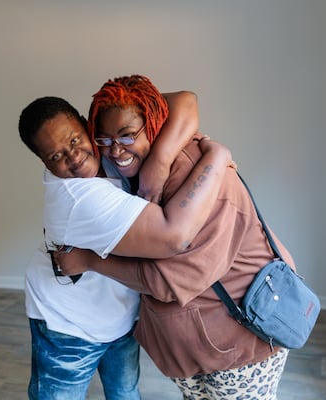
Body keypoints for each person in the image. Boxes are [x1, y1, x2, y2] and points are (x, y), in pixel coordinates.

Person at [54, 75, 295, 400]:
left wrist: (89, 260)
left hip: (241, 344)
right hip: (193, 346)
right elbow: (181, 101)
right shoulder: (134, 162)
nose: (114, 150)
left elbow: (169, 280)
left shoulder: (200, 174)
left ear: (152, 123)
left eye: (126, 136)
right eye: (104, 139)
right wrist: (159, 157)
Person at [19, 92, 233, 400]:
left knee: (125, 392)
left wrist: (159, 160)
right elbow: (175, 237)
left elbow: (185, 101)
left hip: (119, 314)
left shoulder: (109, 147)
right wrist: (218, 156)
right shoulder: (80, 198)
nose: (73, 157)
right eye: (55, 156)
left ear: (86, 126)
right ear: (43, 161)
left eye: (75, 141)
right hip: (67, 323)